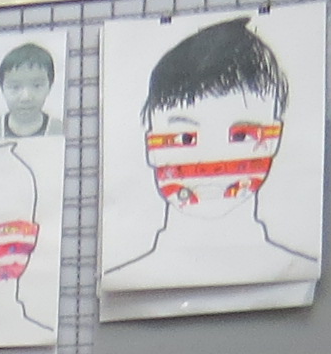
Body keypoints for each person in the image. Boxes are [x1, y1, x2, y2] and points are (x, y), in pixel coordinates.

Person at [104, 16, 315, 291]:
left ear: (275, 138)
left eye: (241, 136)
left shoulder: (300, 274)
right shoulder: (127, 280)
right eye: (185, 138)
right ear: (149, 145)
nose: (210, 159)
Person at [0, 40, 58, 138]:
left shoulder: (59, 130)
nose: (26, 97)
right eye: (15, 87)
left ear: (50, 86)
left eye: (37, 86)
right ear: (2, 88)